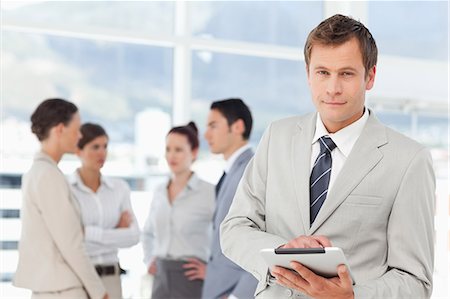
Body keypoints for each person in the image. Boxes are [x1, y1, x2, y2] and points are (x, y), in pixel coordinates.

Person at [220, 14, 435, 299]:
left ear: (369, 77)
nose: (332, 88)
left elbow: (415, 280)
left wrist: (351, 297)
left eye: (346, 73)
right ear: (308, 74)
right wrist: (281, 253)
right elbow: (234, 228)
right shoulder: (277, 137)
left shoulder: (409, 160)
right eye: (323, 72)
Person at [13, 98, 107, 299]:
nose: (80, 135)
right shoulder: (48, 175)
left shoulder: (38, 172)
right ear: (59, 129)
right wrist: (100, 293)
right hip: (62, 289)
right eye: (77, 129)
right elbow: (71, 244)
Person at [142, 121, 215, 299]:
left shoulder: (209, 192)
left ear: (194, 152)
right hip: (160, 277)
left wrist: (212, 270)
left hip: (191, 278)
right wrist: (149, 260)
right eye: (168, 149)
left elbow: (226, 237)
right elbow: (148, 233)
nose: (171, 156)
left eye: (178, 150)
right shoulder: (159, 191)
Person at [196, 98, 258, 299]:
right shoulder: (231, 171)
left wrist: (238, 295)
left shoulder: (252, 170)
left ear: (238, 126)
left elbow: (265, 236)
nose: (206, 134)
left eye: (213, 126)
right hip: (219, 287)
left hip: (233, 291)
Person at [70, 123, 140, 299]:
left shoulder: (119, 188)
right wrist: (116, 232)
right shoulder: (67, 190)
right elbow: (71, 239)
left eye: (105, 146)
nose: (102, 153)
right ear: (78, 151)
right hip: (78, 280)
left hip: (112, 279)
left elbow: (133, 236)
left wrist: (89, 233)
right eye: (95, 147)